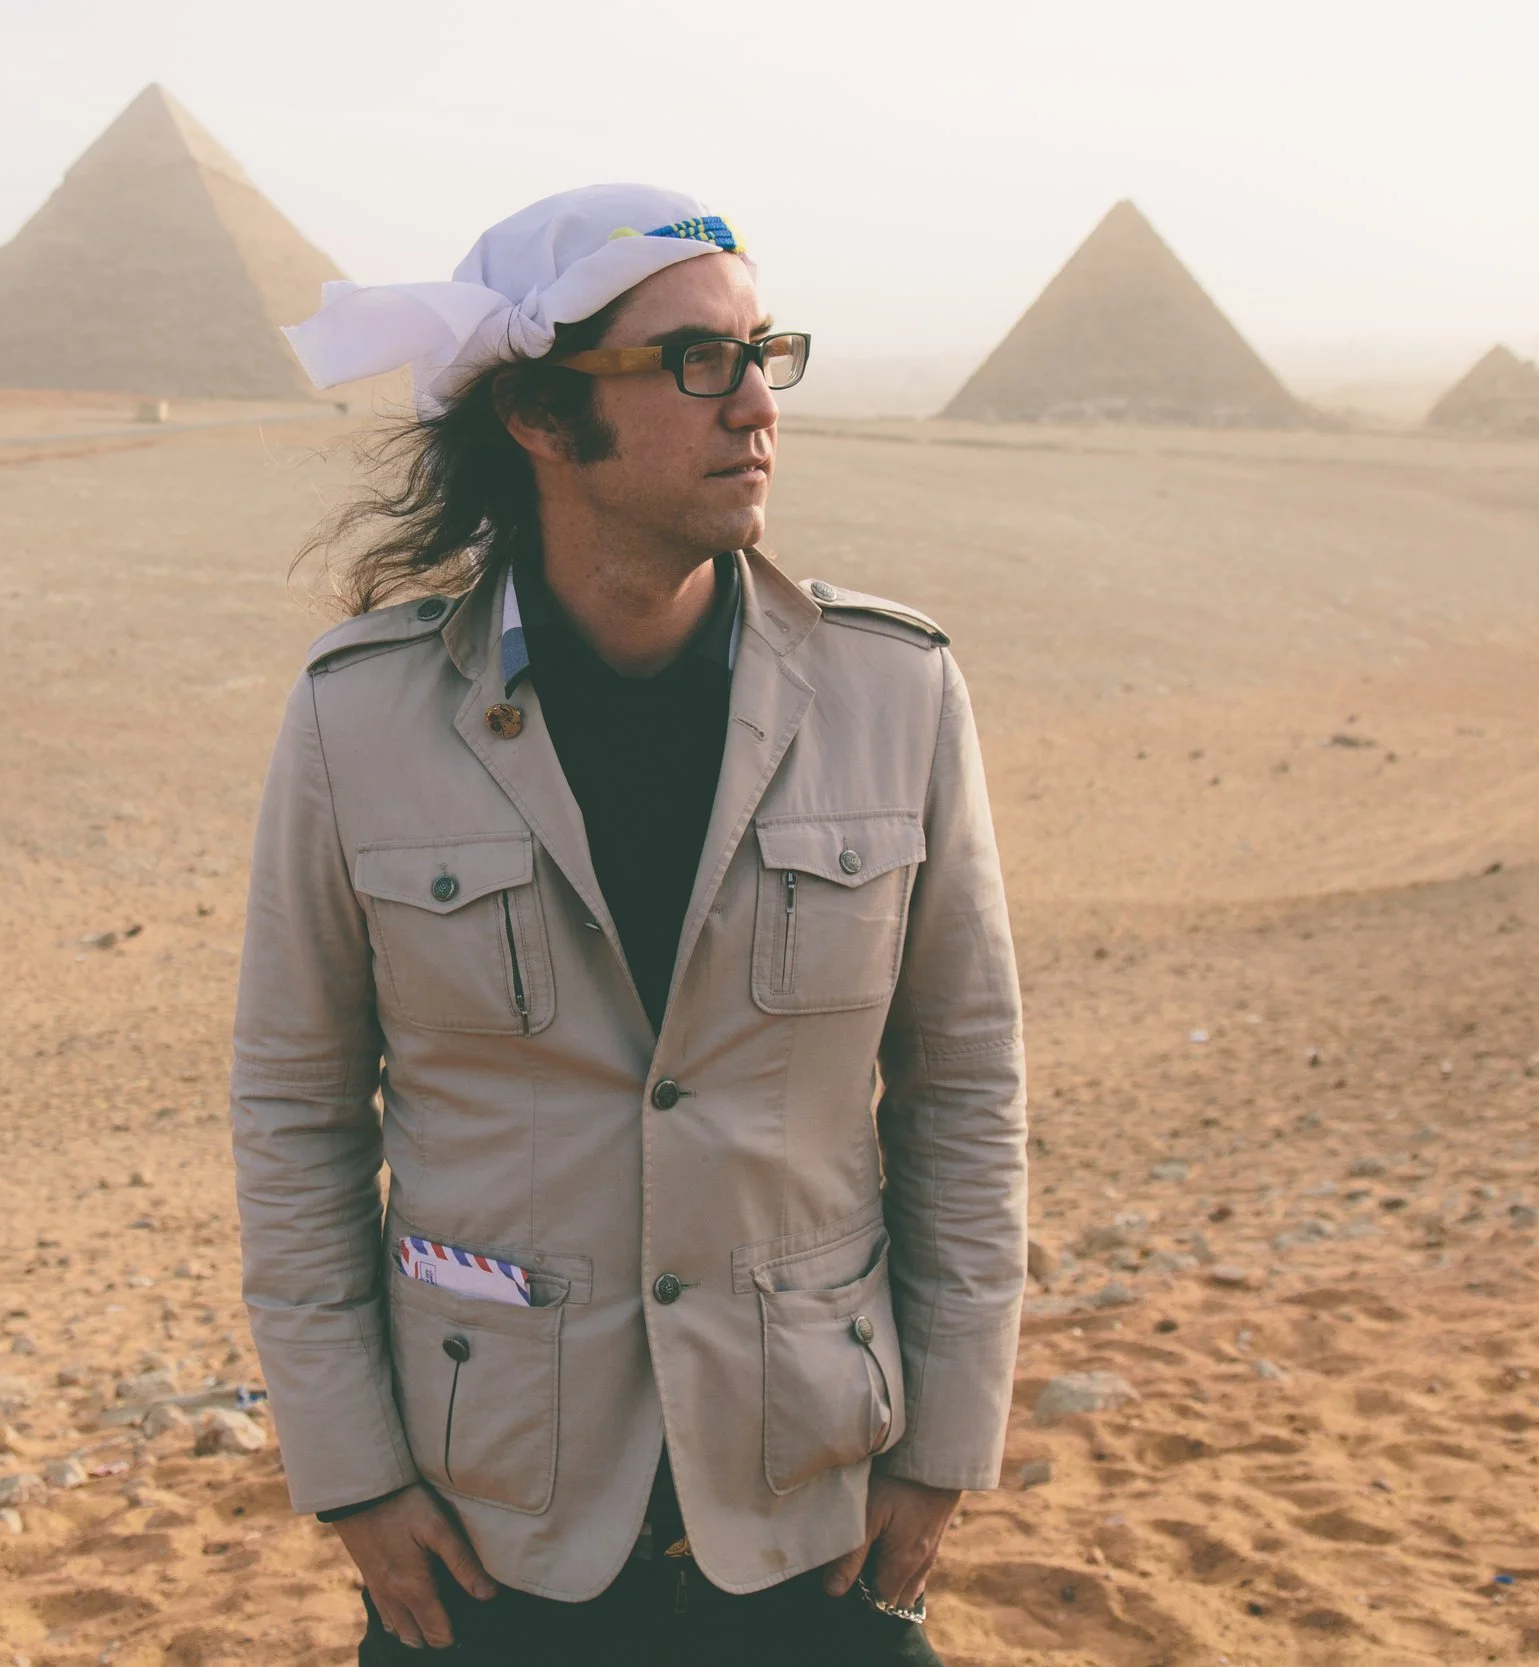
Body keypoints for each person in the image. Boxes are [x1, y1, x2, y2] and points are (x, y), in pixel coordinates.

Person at [229, 184, 1027, 1665]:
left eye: (761, 354)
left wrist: (948, 1441)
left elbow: (964, 1084)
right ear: (540, 417)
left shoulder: (892, 693)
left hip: (811, 1493)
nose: (754, 408)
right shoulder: (361, 717)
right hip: (493, 1513)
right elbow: (296, 1105)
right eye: (693, 362)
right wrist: (350, 1470)